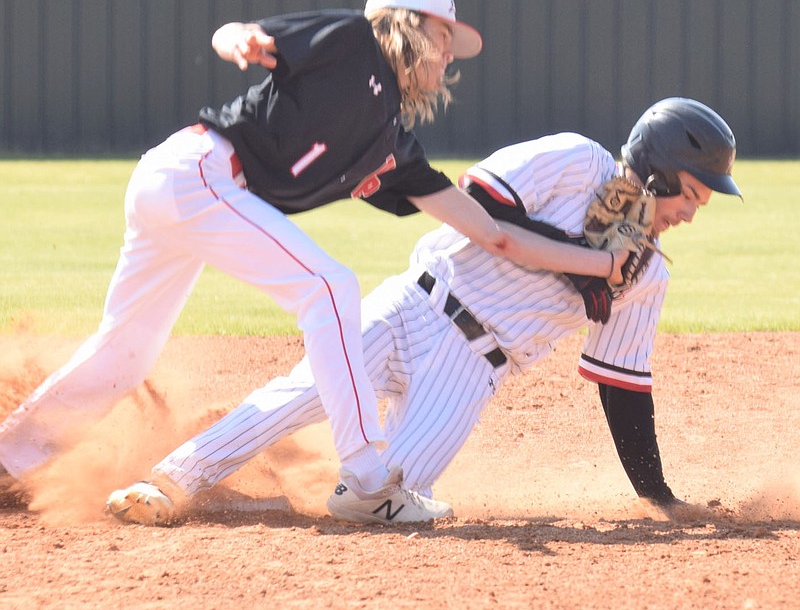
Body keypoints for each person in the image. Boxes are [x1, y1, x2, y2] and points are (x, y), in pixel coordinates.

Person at [0, 0, 623, 523]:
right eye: (442, 37)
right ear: (410, 25)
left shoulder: (392, 146)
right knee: (329, 287)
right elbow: (238, 34)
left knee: (124, 354)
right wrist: (236, 39)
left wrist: (599, 264)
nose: (446, 57)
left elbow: (495, 233)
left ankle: (10, 455)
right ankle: (370, 480)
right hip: (197, 171)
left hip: (191, 192)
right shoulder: (353, 43)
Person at [103, 97, 741, 526]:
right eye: (689, 193)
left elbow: (621, 382)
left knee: (378, 503)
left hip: (472, 370)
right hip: (416, 301)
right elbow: (477, 200)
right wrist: (577, 256)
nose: (689, 213)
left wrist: (655, 493)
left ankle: (283, 495)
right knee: (299, 392)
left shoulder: (647, 272)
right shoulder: (577, 161)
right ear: (656, 172)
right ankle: (174, 483)